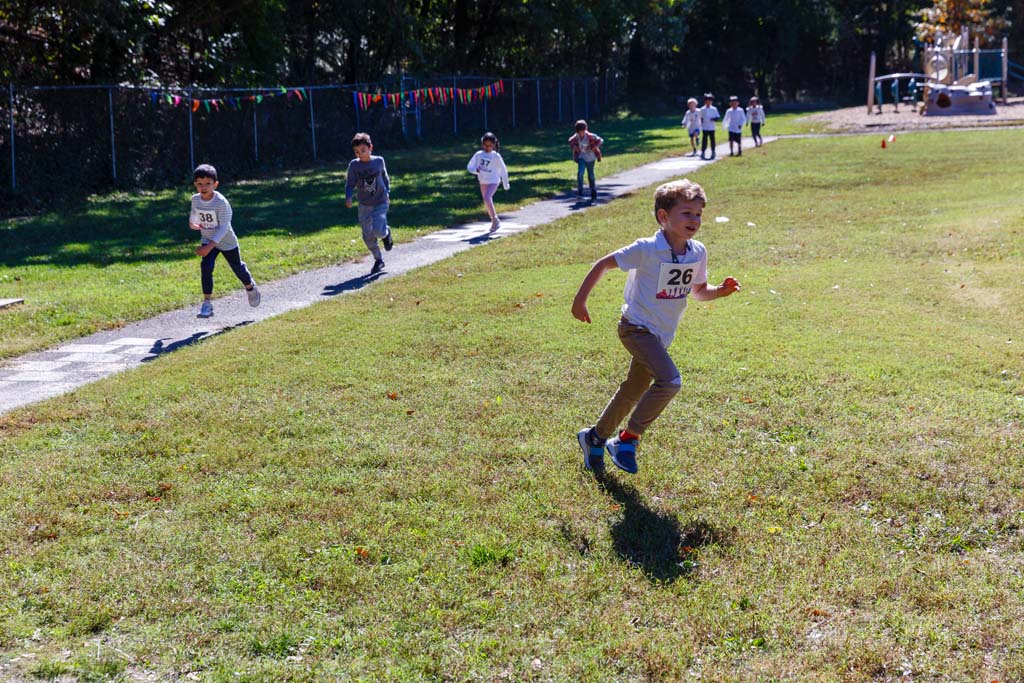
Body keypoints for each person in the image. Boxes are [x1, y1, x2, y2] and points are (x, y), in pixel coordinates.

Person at [572, 178, 741, 474]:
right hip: (636, 328)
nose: (695, 220)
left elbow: (698, 291)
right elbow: (603, 264)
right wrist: (580, 301)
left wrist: (720, 291)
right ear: (664, 216)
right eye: (687, 213)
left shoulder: (697, 252)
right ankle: (626, 439)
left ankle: (594, 438)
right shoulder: (647, 249)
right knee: (670, 381)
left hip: (661, 335)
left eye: (699, 214)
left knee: (633, 390)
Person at [188, 164, 261, 319]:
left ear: (215, 184)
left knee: (237, 268)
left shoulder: (221, 202)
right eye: (200, 184)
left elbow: (223, 228)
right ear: (195, 184)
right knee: (206, 267)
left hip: (226, 241)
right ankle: (207, 303)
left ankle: (250, 286)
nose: (203, 187)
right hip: (207, 239)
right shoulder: (195, 200)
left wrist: (209, 247)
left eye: (208, 183)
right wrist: (193, 225)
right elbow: (194, 217)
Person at [345, 132, 393, 275]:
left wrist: (388, 193)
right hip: (364, 204)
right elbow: (349, 184)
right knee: (367, 235)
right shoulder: (354, 166)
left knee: (378, 229)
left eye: (363, 150)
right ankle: (378, 259)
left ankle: (386, 233)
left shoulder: (379, 161)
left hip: (380, 201)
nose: (360, 154)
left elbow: (385, 178)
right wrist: (348, 197)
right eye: (357, 152)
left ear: (370, 148)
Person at [466, 131, 510, 233]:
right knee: (487, 201)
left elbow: (503, 169)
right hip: (483, 181)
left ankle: (495, 220)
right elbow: (470, 166)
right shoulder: (478, 154)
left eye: (490, 146)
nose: (487, 148)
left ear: (494, 145)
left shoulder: (496, 156)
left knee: (487, 197)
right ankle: (494, 221)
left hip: (494, 181)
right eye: (485, 145)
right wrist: (475, 171)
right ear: (482, 144)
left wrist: (505, 183)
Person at [569, 119, 603, 202]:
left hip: (591, 158)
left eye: (582, 132)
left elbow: (601, 140)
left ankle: (593, 190)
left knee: (590, 175)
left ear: (586, 129)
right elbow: (570, 141)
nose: (581, 134)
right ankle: (580, 192)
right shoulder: (576, 137)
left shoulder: (590, 136)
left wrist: (594, 147)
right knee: (580, 173)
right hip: (581, 157)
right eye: (579, 132)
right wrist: (574, 147)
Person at [698, 93, 720, 160]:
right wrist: (700, 124)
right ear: (704, 101)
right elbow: (700, 117)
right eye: (707, 101)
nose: (708, 102)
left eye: (709, 101)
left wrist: (713, 119)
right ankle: (703, 152)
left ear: (711, 102)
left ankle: (713, 151)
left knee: (712, 140)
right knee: (704, 140)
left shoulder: (714, 109)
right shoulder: (702, 109)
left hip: (711, 127)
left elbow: (717, 117)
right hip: (705, 127)